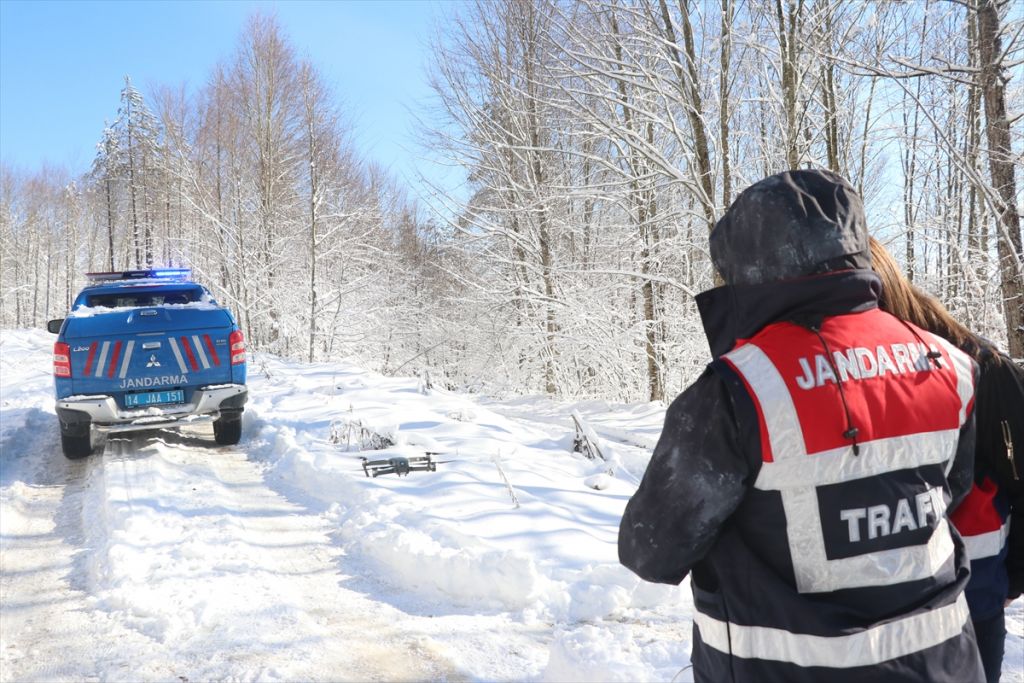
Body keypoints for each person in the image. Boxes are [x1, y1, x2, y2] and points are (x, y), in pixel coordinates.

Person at [619, 169, 985, 682]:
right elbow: (952, 489)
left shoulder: (737, 388)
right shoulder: (948, 363)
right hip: (943, 666)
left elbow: (650, 548)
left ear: (749, 266)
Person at [870, 236, 1023, 683]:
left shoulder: (979, 366)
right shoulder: (810, 378)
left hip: (968, 612)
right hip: (869, 630)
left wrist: (1011, 580)